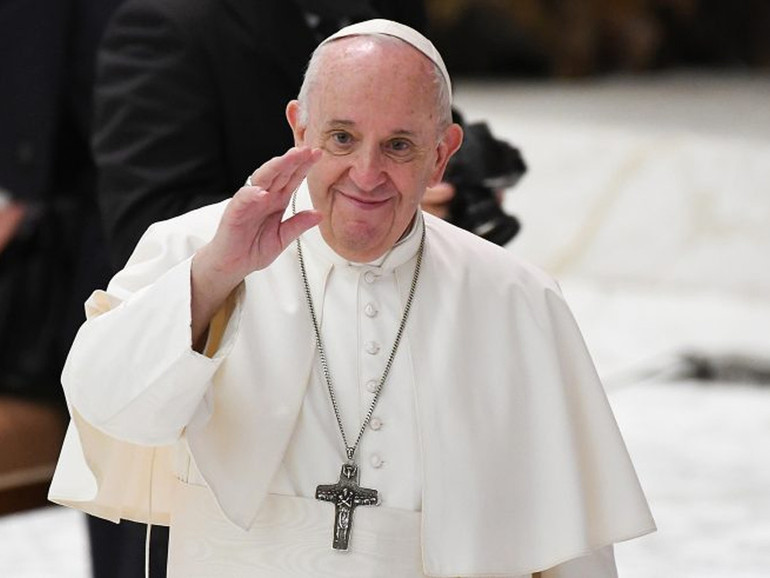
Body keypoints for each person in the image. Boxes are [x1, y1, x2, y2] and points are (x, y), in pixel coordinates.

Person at [50, 19, 655, 577]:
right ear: (299, 129)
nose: (366, 175)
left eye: (398, 146)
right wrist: (213, 275)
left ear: (442, 154)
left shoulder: (516, 299)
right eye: (341, 138)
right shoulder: (194, 247)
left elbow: (573, 547)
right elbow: (109, 409)